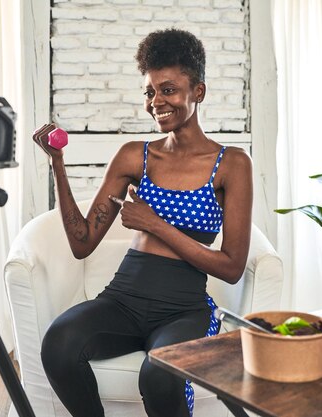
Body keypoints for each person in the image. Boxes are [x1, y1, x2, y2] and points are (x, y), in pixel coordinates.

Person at [33, 28, 253, 417]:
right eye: (149, 92)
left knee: (159, 375)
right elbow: (82, 241)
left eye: (168, 90)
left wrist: (155, 224)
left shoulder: (232, 164)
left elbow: (232, 267)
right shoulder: (135, 156)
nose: (156, 102)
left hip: (185, 308)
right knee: (59, 343)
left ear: (197, 91)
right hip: (124, 299)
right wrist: (57, 164)